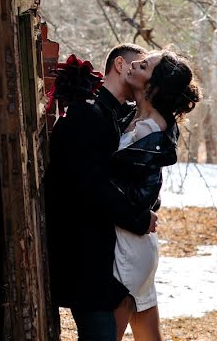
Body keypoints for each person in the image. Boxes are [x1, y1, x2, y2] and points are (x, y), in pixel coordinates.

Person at [46, 43, 158, 340]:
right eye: (140, 66)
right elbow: (90, 187)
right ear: (121, 65)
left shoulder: (120, 117)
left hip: (109, 260)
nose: (142, 74)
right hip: (84, 256)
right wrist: (139, 218)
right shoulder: (88, 114)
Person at [109, 51, 201, 341]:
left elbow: (138, 195)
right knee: (149, 336)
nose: (134, 63)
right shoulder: (133, 116)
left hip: (129, 248)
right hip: (134, 241)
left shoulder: (152, 131)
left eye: (144, 65)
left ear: (153, 87)